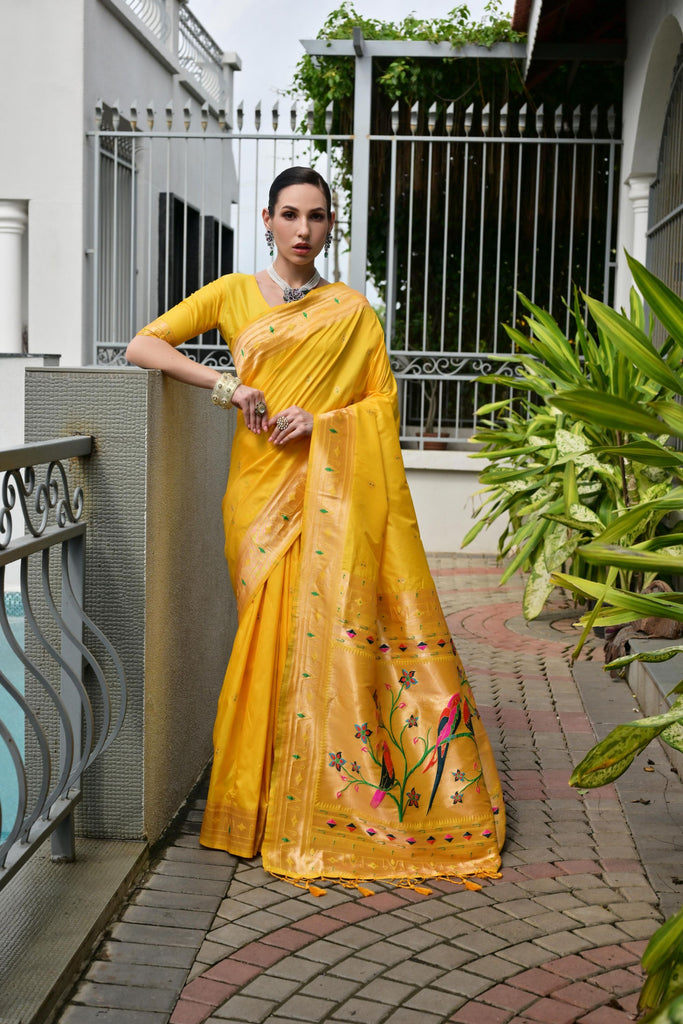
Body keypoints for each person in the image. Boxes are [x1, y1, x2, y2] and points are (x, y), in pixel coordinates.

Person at [126, 166, 505, 892]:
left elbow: (380, 405)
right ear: (267, 220)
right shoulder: (232, 293)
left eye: (318, 216)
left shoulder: (352, 312)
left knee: (322, 639)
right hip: (258, 496)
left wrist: (325, 422)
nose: (303, 229)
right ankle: (258, 803)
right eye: (291, 215)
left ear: (331, 225)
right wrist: (229, 386)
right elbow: (144, 345)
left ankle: (313, 801)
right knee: (263, 640)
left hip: (328, 491)